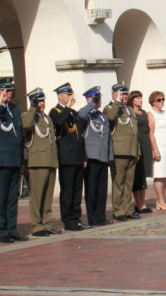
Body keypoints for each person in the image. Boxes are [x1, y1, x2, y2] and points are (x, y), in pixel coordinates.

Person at [0, 78, 26, 242]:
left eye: (10, 91)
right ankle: (1, 231)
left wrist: (22, 159)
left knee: (11, 198)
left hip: (14, 158)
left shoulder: (14, 109)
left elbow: (18, 133)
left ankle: (12, 229)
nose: (9, 94)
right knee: (0, 198)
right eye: (6, 91)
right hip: (0, 159)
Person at [22, 87, 61, 236]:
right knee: (37, 196)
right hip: (38, 161)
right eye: (38, 101)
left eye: (43, 100)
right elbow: (26, 125)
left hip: (50, 159)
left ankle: (46, 223)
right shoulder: (28, 115)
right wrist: (32, 107)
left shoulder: (46, 118)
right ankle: (36, 225)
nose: (42, 103)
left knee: (47, 195)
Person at [50, 82, 89, 232]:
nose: (71, 97)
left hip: (78, 157)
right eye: (68, 94)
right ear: (60, 96)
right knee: (68, 191)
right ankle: (68, 220)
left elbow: (80, 136)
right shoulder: (56, 111)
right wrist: (67, 108)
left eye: (71, 94)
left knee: (77, 190)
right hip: (66, 157)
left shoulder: (72, 112)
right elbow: (59, 123)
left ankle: (76, 217)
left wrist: (84, 157)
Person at [105, 83, 140, 221]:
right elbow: (110, 118)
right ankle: (118, 210)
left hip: (131, 150)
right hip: (119, 151)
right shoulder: (110, 108)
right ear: (114, 94)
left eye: (126, 94)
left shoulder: (130, 109)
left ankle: (127, 209)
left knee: (128, 183)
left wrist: (138, 151)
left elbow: (134, 131)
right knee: (118, 182)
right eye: (121, 94)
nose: (124, 96)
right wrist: (117, 102)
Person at [78, 86, 112, 226]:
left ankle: (100, 216)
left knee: (101, 189)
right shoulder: (87, 113)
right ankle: (92, 217)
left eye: (99, 98)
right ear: (89, 99)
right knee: (91, 189)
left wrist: (110, 156)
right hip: (91, 157)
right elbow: (81, 115)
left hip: (103, 156)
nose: (99, 101)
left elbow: (107, 137)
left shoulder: (102, 116)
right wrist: (91, 103)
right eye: (96, 98)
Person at [147, 90, 166, 209]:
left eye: (163, 99)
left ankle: (162, 199)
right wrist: (155, 150)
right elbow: (151, 133)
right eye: (158, 100)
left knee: (165, 174)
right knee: (159, 174)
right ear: (153, 102)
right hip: (159, 145)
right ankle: (160, 200)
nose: (161, 102)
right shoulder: (151, 114)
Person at [129, 91, 153, 215]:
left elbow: (150, 129)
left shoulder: (144, 113)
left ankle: (142, 203)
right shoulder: (130, 112)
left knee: (143, 174)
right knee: (137, 176)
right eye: (137, 98)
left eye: (141, 97)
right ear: (132, 100)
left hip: (145, 143)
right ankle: (138, 204)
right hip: (136, 143)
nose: (140, 100)